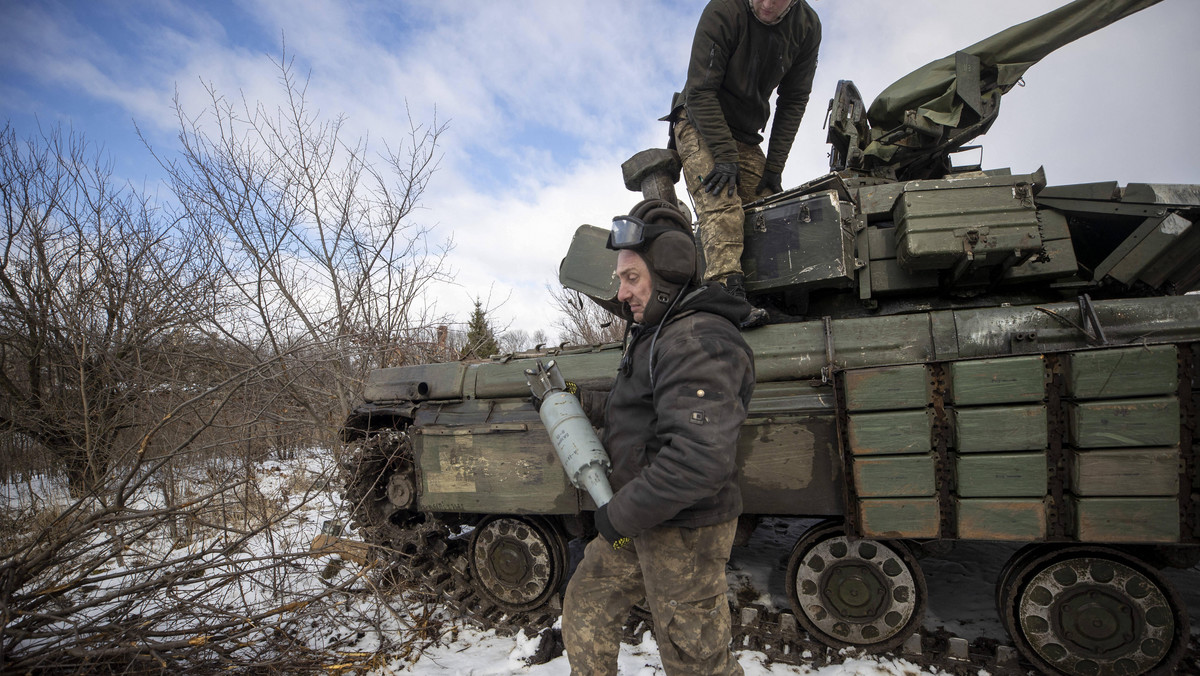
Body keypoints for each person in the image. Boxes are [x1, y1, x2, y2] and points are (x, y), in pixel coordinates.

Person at [561, 199, 756, 676]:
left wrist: (617, 516)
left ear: (668, 274)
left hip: (683, 532)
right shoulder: (660, 332)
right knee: (587, 601)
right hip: (643, 518)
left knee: (695, 660)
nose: (621, 291)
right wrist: (572, 399)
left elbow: (697, 460)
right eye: (621, 278)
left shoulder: (696, 340)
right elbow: (641, 409)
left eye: (632, 278)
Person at [668, 0, 822, 326]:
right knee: (722, 202)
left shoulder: (807, 27)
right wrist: (724, 156)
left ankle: (765, 299)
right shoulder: (724, 10)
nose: (767, 4)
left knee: (769, 211)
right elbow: (699, 91)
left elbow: (793, 100)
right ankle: (724, 294)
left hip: (746, 135)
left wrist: (774, 170)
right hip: (699, 120)